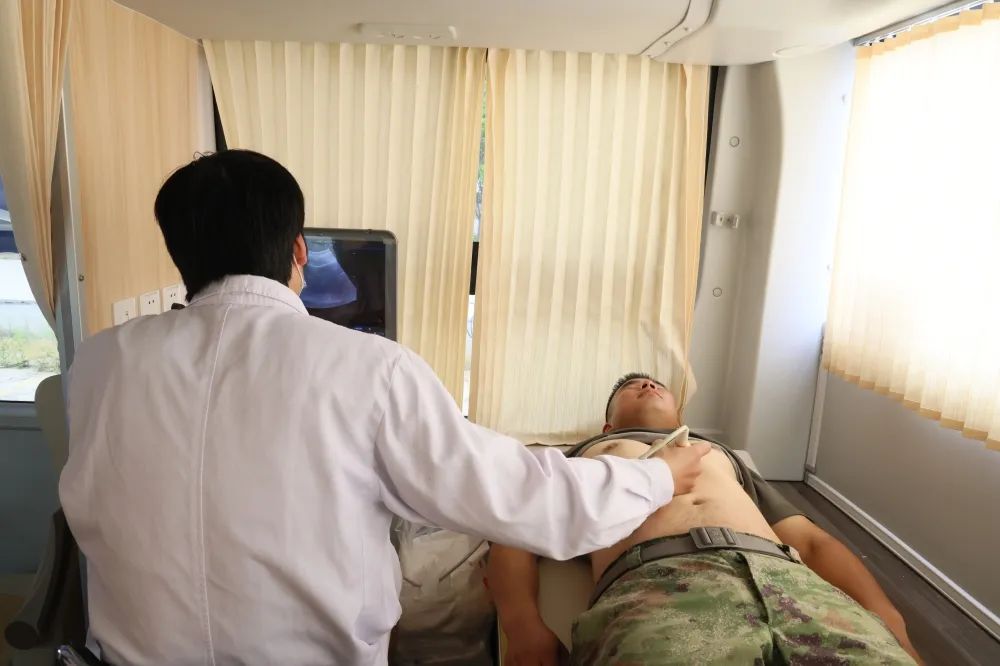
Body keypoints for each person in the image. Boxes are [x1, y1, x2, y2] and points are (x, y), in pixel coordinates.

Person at [57, 151, 711, 666]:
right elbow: (526, 500)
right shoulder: (371, 368)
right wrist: (657, 476)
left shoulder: (100, 362)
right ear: (299, 251)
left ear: (180, 254)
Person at [488, 373, 921, 665]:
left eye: (655, 383)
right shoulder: (583, 456)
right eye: (632, 388)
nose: (646, 384)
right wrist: (523, 627)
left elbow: (809, 541)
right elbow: (514, 531)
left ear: (681, 418)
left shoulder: (722, 456)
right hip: (660, 586)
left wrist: (885, 615)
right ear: (607, 427)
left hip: (791, 581)